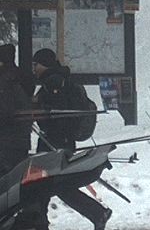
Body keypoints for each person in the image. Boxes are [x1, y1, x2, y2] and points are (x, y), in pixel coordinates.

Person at [31, 48, 112, 230]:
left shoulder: (53, 83)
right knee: (53, 184)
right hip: (62, 141)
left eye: (35, 65)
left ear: (44, 64)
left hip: (55, 143)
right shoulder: (61, 80)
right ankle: (97, 213)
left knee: (46, 183)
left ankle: (38, 221)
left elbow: (58, 116)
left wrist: (40, 115)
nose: (34, 69)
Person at [0, 44, 32, 174]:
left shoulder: (5, 81)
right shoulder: (21, 76)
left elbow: (5, 111)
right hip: (21, 139)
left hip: (7, 140)